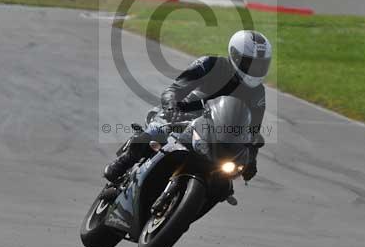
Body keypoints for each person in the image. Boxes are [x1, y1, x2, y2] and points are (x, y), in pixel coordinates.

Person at [103, 30, 272, 184]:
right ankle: (126, 160)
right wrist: (171, 108)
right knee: (155, 133)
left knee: (224, 183)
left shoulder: (258, 92)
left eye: (260, 64)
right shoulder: (210, 64)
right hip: (183, 117)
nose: (255, 69)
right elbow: (174, 89)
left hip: (216, 134)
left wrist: (252, 159)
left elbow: (252, 131)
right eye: (250, 64)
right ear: (235, 56)